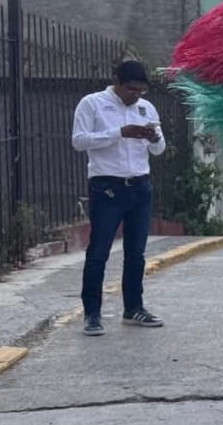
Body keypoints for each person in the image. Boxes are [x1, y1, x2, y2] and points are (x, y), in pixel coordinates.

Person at [71, 59, 167, 336]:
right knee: (99, 252)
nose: (135, 95)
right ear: (116, 81)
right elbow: (79, 141)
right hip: (107, 187)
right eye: (130, 89)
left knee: (136, 253)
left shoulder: (146, 108)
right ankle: (92, 314)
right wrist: (119, 133)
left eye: (141, 90)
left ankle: (134, 308)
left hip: (140, 185)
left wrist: (151, 137)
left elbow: (160, 149)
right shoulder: (92, 104)